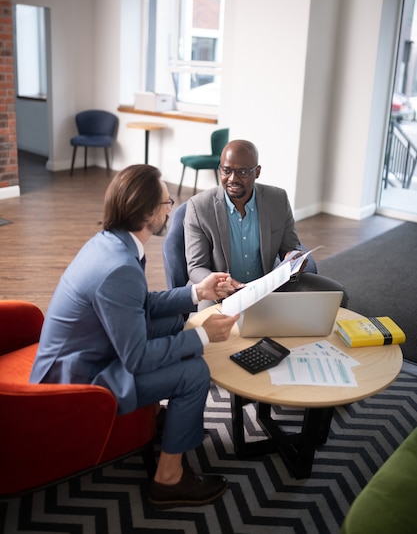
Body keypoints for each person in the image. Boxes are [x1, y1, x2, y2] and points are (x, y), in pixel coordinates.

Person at [30, 164, 240, 510]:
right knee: (195, 373)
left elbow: (138, 305)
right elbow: (137, 358)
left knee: (175, 321)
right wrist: (202, 336)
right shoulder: (118, 268)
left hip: (91, 349)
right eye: (165, 202)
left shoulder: (112, 244)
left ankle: (164, 420)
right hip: (78, 378)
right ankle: (168, 480)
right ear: (146, 213)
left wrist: (196, 292)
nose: (170, 207)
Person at [184, 139, 348, 310]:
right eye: (226, 171)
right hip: (219, 291)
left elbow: (289, 247)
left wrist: (293, 257)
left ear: (257, 172)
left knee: (336, 296)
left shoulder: (277, 199)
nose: (233, 179)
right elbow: (196, 268)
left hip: (269, 287)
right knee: (204, 329)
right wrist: (222, 284)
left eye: (242, 172)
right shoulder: (199, 207)